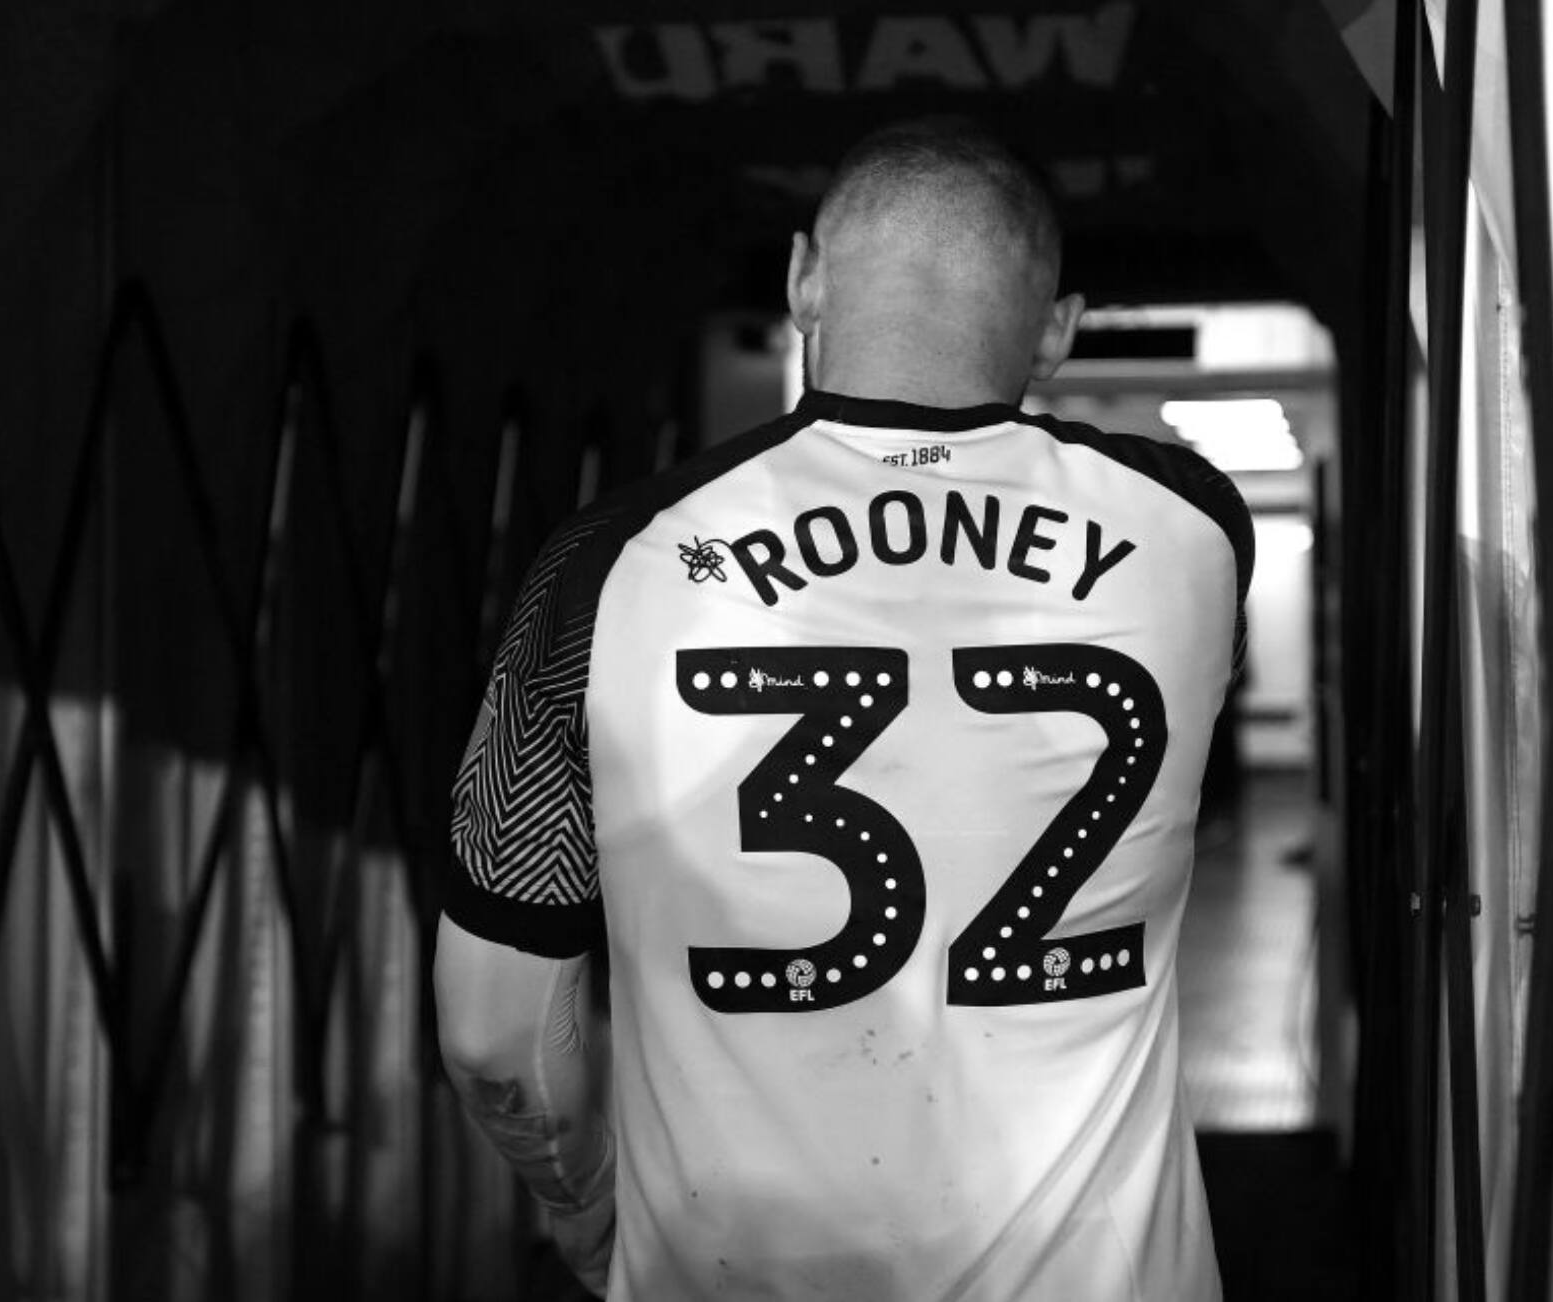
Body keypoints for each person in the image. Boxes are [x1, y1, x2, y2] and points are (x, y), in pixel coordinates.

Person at [433, 116, 1252, 1300]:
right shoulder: (1195, 532)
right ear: (1059, 333)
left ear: (802, 277)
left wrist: (585, 1203)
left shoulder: (608, 569)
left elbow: (489, 1028)